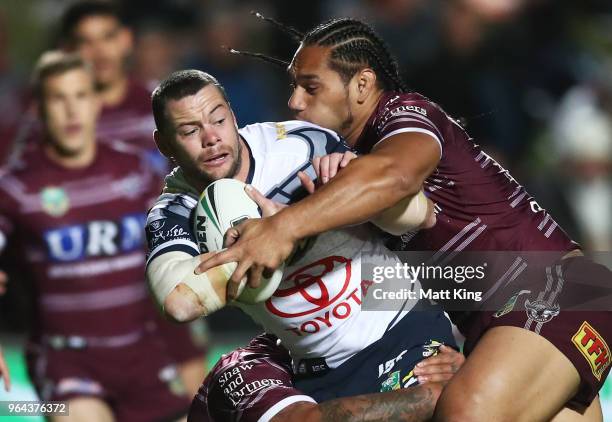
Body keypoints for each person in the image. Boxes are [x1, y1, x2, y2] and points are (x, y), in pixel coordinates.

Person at [197, 18, 611, 421]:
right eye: (293, 87)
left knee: (466, 412)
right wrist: (471, 348)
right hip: (521, 317)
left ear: (361, 84)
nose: (295, 102)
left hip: (557, 293)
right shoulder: (353, 165)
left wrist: (282, 228)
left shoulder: (407, 113)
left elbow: (396, 176)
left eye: (310, 86)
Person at [144, 69, 464, 421]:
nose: (211, 138)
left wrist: (313, 214)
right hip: (316, 371)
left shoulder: (302, 147)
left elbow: (417, 218)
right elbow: (177, 303)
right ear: (165, 145)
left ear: (233, 117)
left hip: (404, 330)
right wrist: (259, 249)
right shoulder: (176, 209)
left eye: (218, 120)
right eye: (189, 131)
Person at [0, 51, 190, 421]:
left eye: (81, 96)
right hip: (64, 363)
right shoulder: (15, 186)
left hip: (143, 356)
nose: (72, 111)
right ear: (38, 107)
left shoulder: (137, 172)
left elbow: (187, 236)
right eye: (58, 98)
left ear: (96, 101)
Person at [59, 1, 208, 393]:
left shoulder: (162, 108)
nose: (99, 52)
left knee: (193, 402)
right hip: (86, 295)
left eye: (108, 37)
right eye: (84, 42)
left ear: (127, 41)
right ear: (68, 51)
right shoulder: (52, 122)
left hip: (165, 276)